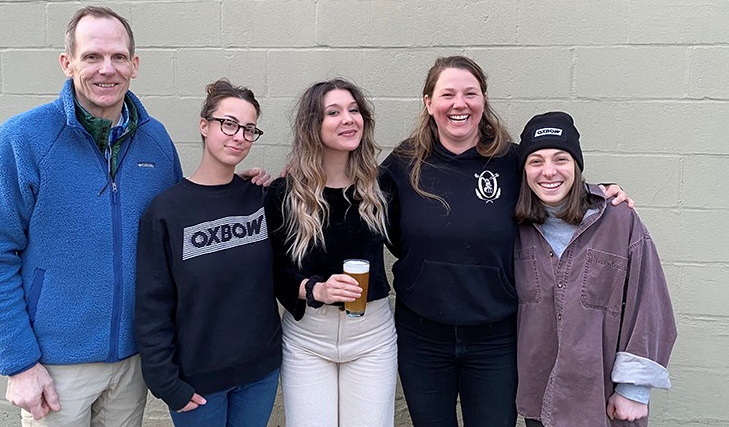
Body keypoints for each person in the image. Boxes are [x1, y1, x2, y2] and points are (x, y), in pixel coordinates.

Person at [0, 6, 270, 427]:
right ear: (67, 63)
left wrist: (240, 190)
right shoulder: (22, 141)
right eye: (92, 56)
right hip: (55, 366)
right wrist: (19, 363)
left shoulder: (155, 140)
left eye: (118, 57)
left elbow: (182, 221)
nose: (106, 69)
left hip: (132, 362)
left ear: (134, 65)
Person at [379, 56, 632, 427]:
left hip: (497, 336)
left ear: (483, 99)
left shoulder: (511, 160)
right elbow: (368, 216)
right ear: (428, 103)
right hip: (423, 334)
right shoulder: (403, 163)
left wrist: (603, 193)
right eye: (447, 94)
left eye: (470, 93)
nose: (459, 104)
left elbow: (554, 190)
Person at [513, 112, 677, 427]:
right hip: (539, 404)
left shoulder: (619, 221)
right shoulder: (514, 228)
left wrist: (634, 390)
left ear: (576, 165)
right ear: (524, 171)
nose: (549, 172)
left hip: (605, 403)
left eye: (561, 159)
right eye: (536, 161)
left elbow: (651, 304)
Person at [135, 79, 282, 427]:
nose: (238, 136)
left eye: (249, 129)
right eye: (228, 123)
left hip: (259, 372)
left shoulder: (259, 198)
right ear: (204, 125)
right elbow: (152, 305)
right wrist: (166, 383)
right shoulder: (166, 212)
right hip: (198, 383)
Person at [264, 78, 397, 427]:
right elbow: (273, 269)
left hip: (371, 336)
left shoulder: (382, 185)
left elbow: (411, 243)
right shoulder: (285, 194)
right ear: (313, 125)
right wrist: (315, 289)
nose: (348, 119)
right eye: (334, 112)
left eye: (354, 110)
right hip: (308, 337)